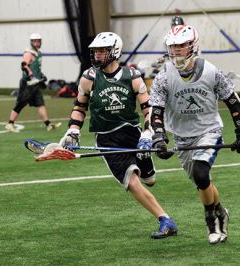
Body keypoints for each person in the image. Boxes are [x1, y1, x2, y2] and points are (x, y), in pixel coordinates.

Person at [58, 32, 177, 239]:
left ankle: (144, 158)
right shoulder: (89, 78)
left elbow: (148, 110)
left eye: (102, 51)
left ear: (115, 52)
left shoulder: (132, 77)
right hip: (106, 139)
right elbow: (79, 108)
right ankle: (165, 219)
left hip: (133, 134)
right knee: (132, 182)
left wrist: (148, 133)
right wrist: (73, 131)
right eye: (95, 51)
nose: (97, 55)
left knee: (150, 180)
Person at [147, 25, 240, 244]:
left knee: (201, 173)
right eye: (172, 46)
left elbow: (233, 102)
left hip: (209, 131)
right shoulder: (163, 76)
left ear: (192, 46)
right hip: (182, 136)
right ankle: (221, 212)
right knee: (201, 181)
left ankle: (211, 223)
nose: (176, 50)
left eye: (181, 46)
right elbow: (155, 110)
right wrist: (159, 136)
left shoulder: (212, 71)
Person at [5, 33, 61, 133]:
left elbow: (35, 67)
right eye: (35, 41)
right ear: (31, 42)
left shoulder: (38, 53)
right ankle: (10, 124)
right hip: (27, 84)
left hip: (35, 84)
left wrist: (41, 76)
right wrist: (31, 75)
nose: (37, 43)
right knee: (20, 104)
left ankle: (48, 124)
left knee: (40, 104)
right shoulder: (29, 52)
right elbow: (24, 66)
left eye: (38, 41)